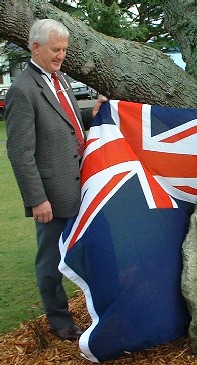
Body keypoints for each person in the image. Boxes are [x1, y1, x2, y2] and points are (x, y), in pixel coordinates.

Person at [5, 18, 107, 339]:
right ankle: (61, 322)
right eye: (55, 49)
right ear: (35, 48)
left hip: (80, 188)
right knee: (50, 264)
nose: (61, 55)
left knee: (87, 252)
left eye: (64, 49)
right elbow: (20, 153)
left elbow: (71, 123)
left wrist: (97, 112)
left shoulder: (59, 79)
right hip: (51, 196)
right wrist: (37, 199)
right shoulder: (22, 91)